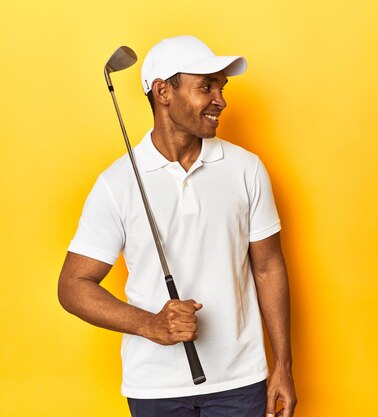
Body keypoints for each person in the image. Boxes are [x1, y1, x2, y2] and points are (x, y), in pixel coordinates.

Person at [58, 35, 297, 417]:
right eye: (206, 86)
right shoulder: (117, 182)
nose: (221, 99)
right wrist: (149, 324)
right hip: (154, 386)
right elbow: (72, 286)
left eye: (221, 87)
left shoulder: (246, 169)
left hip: (241, 381)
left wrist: (283, 366)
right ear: (163, 91)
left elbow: (268, 268)